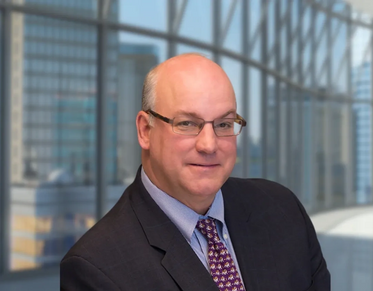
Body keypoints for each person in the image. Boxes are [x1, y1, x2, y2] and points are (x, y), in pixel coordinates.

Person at [60, 53, 330, 291]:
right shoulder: (96, 269)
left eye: (224, 124)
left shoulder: (282, 210)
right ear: (145, 130)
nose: (209, 144)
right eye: (187, 123)